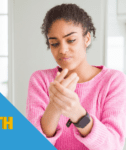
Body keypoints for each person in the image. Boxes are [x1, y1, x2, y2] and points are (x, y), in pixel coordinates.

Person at [26, 3, 126, 150]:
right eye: (54, 43)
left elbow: (113, 146)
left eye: (71, 40)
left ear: (87, 39)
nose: (63, 50)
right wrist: (54, 105)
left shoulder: (113, 81)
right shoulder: (40, 80)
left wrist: (78, 114)